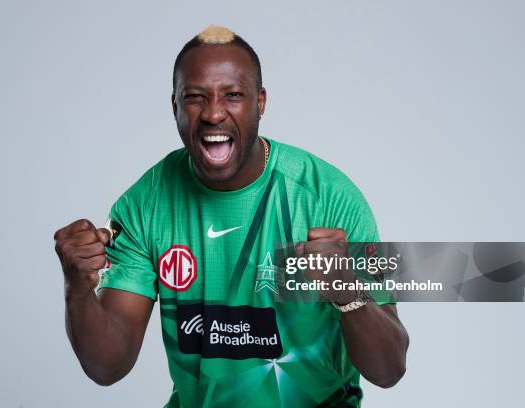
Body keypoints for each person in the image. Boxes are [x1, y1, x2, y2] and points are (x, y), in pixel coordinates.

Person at [54, 25, 409, 408]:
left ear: (260, 103)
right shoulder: (146, 204)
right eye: (195, 97)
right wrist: (77, 289)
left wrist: (346, 289)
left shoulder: (328, 198)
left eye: (233, 95)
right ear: (174, 106)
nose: (213, 113)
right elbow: (107, 367)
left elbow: (389, 369)